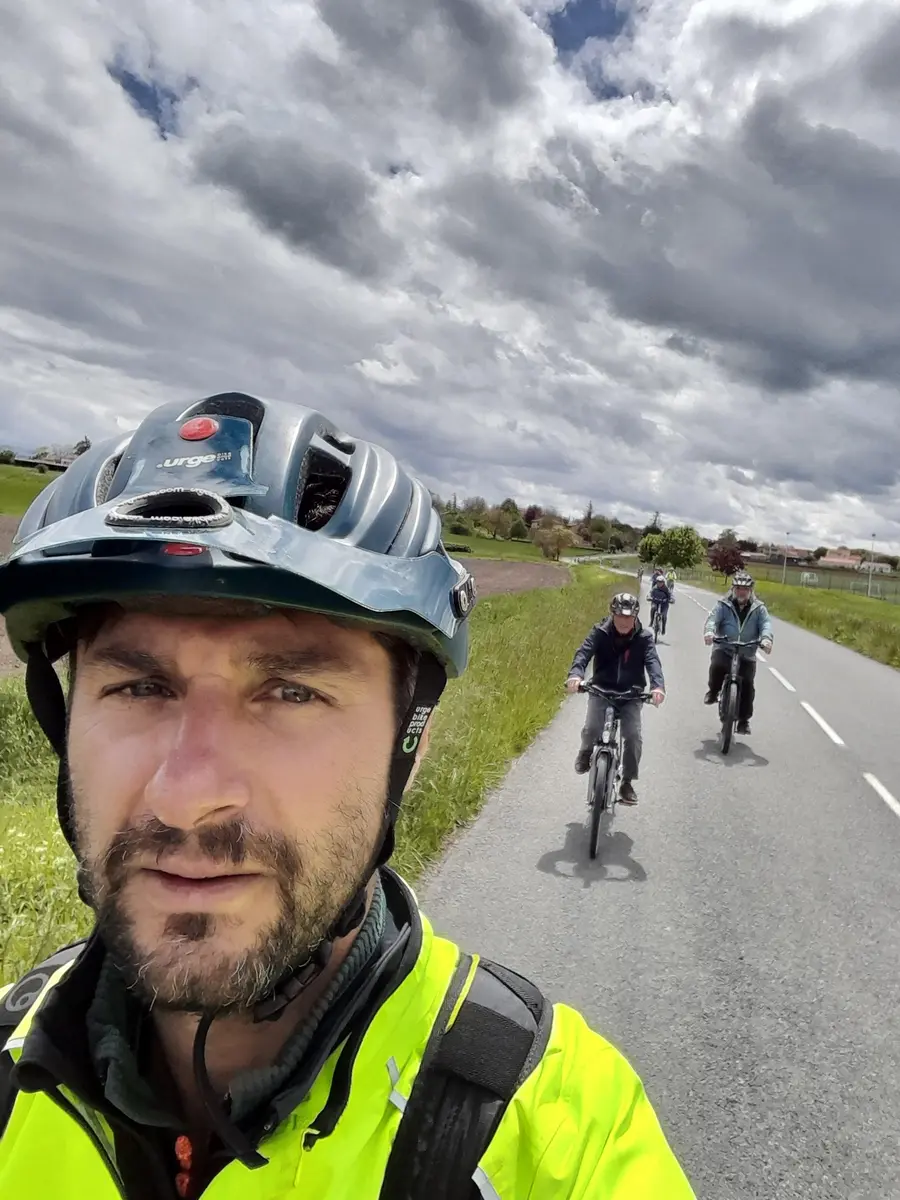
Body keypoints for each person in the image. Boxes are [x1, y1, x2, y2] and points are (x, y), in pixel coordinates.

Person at [0, 394, 695, 1199]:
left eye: (292, 693)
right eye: (138, 687)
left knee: (625, 739)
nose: (188, 797)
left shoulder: (563, 1136)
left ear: (414, 740)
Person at [566, 592, 666, 805]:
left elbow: (653, 663)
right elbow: (583, 653)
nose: (624, 621)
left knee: (633, 736)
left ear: (636, 617)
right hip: (601, 689)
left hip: (631, 694)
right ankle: (585, 752)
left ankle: (627, 782)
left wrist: (658, 686)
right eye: (620, 616)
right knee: (591, 729)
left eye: (628, 617)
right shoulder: (600, 632)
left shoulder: (645, 638)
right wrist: (576, 675)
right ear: (612, 615)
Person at [704, 571, 773, 734]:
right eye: (738, 588)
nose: (741, 592)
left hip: (747, 651)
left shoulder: (759, 608)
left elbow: (766, 625)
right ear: (733, 589)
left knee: (748, 684)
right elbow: (713, 619)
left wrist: (766, 639)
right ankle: (713, 692)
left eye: (745, 589)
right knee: (717, 665)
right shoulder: (724, 604)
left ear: (751, 591)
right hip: (725, 646)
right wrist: (709, 632)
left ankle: (743, 720)